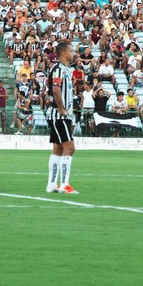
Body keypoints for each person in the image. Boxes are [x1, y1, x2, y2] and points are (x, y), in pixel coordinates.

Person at [45, 41, 78, 194]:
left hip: (60, 114)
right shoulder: (58, 69)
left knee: (58, 148)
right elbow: (56, 90)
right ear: (64, 53)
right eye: (71, 50)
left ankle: (52, 185)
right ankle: (65, 185)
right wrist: (62, 110)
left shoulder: (65, 69)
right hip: (58, 115)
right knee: (69, 148)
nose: (73, 53)